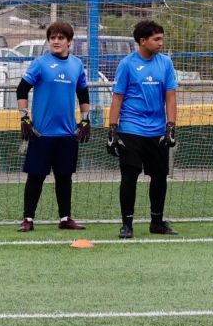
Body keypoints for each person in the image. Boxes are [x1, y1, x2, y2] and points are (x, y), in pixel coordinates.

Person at [104, 20, 179, 239]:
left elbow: (171, 97)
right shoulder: (127, 64)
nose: (160, 43)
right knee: (129, 176)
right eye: (156, 39)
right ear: (142, 41)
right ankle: (127, 225)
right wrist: (112, 130)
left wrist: (171, 126)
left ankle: (157, 222)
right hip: (130, 129)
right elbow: (117, 99)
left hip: (157, 131)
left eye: (161, 38)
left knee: (159, 177)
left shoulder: (165, 63)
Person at [14, 20, 91, 232]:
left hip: (67, 133)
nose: (56, 41)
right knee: (36, 177)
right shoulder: (40, 63)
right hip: (42, 133)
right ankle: (28, 219)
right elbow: (22, 90)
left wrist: (85, 119)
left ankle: (65, 218)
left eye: (61, 38)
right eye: (52, 38)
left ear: (69, 41)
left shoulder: (76, 64)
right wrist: (24, 118)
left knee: (64, 177)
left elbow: (82, 93)